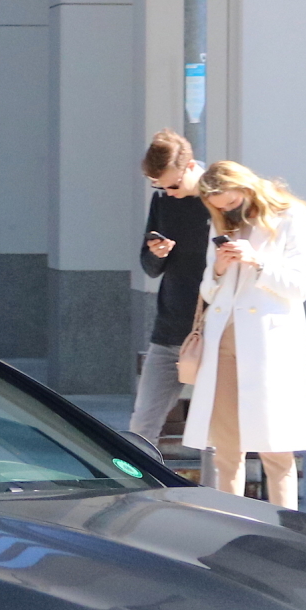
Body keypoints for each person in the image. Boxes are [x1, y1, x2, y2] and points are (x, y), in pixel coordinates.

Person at [180, 159, 306, 509]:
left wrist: (258, 262)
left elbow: (299, 287)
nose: (228, 210)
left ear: (245, 185)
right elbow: (209, 292)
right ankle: (230, 523)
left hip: (270, 344)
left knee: (275, 447)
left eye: (231, 202)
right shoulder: (222, 223)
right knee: (227, 448)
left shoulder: (291, 216)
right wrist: (221, 269)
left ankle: (287, 527)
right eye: (220, 207)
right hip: (224, 338)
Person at [130, 129, 211, 452]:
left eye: (173, 185)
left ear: (191, 167)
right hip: (169, 327)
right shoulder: (163, 200)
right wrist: (156, 254)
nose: (168, 192)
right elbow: (149, 266)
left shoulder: (218, 201)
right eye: (159, 186)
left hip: (213, 329)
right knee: (142, 425)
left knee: (217, 431)